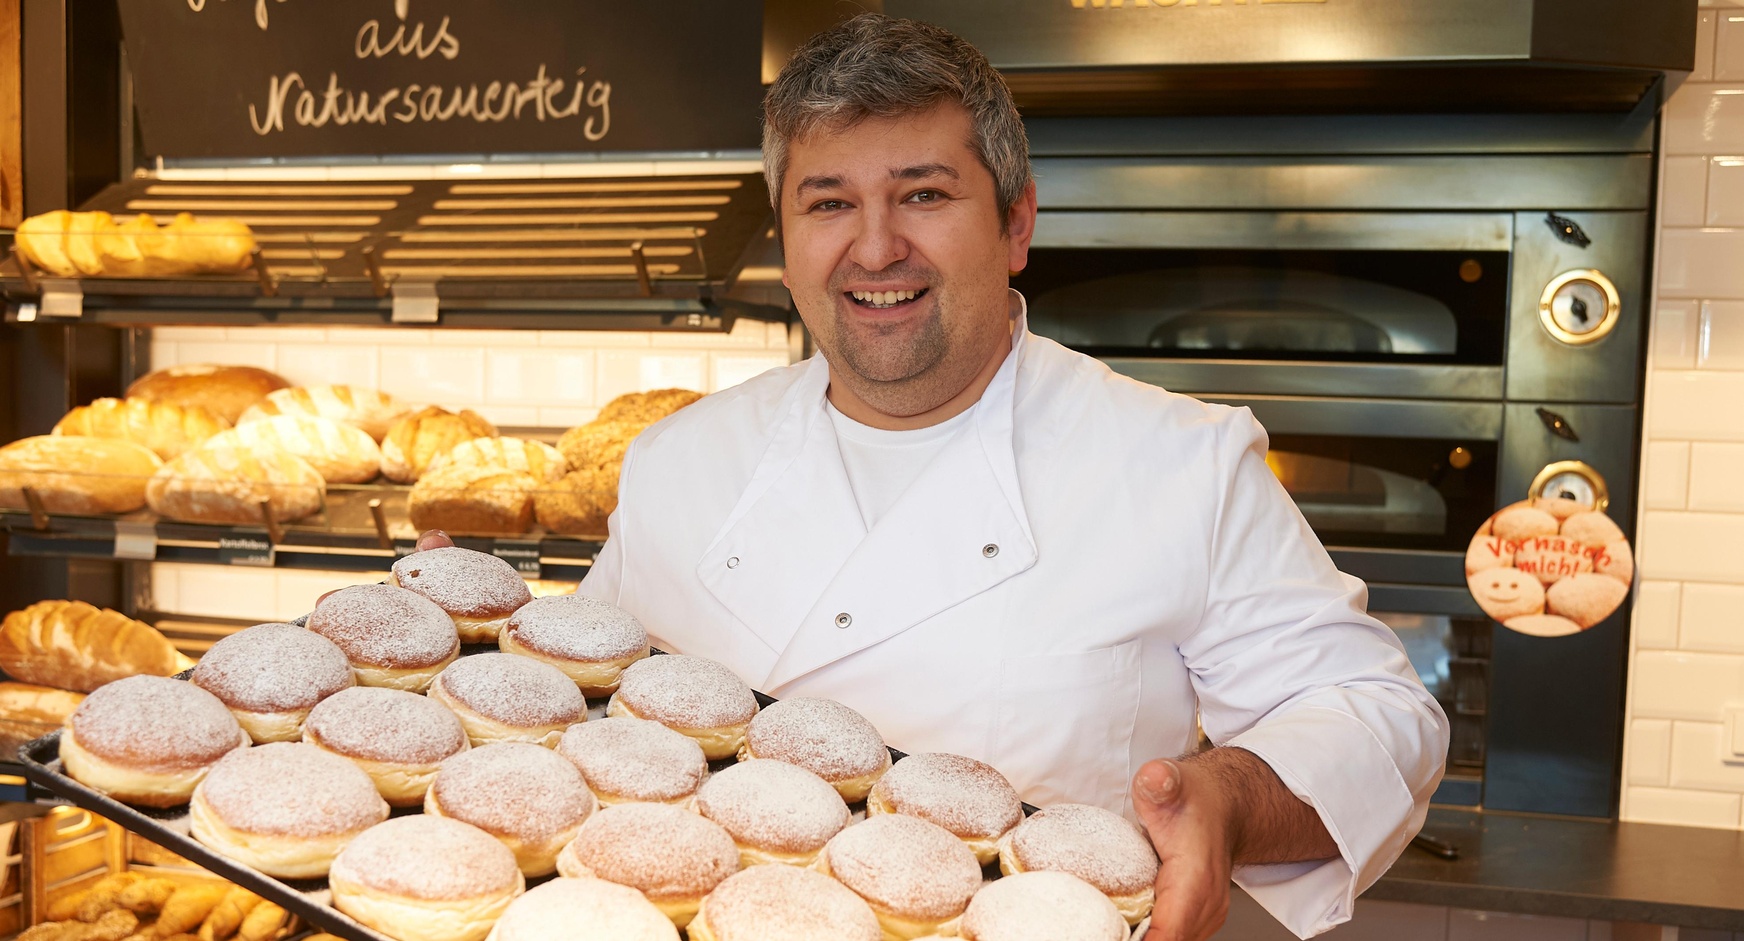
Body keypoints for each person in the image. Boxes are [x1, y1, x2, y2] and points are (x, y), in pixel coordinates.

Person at [541, 14, 1446, 940]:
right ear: (785, 241)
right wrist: (457, 637)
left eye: (923, 194)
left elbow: (1378, 715)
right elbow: (585, 703)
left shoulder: (1181, 462)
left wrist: (1227, 799)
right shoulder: (678, 460)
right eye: (827, 203)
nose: (877, 247)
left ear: (1016, 224)